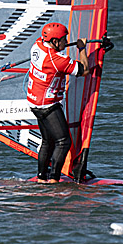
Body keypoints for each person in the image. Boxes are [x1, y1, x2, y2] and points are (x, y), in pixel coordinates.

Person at [26, 22, 95, 183]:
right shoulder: (57, 60)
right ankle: (54, 180)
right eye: (64, 39)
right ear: (55, 41)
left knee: (47, 141)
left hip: (34, 102)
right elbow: (84, 70)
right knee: (64, 141)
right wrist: (82, 49)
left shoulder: (36, 45)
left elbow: (48, 42)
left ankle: (42, 178)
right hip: (47, 106)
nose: (65, 42)